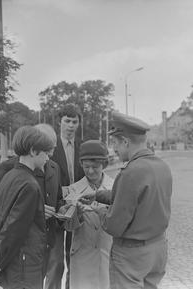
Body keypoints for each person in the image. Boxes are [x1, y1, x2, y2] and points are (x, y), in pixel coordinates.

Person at [87, 111, 172, 289]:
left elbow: (114, 225)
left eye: (115, 143)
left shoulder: (130, 173)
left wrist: (97, 209)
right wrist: (97, 195)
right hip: (157, 249)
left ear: (125, 142)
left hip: (132, 256)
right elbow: (138, 197)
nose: (115, 149)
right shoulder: (161, 166)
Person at [0, 123, 63, 280]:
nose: (50, 156)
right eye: (47, 151)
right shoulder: (25, 182)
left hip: (39, 250)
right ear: (33, 149)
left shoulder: (14, 175)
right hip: (23, 258)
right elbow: (5, 223)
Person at [62, 140, 113, 289]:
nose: (90, 171)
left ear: (104, 164)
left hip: (108, 253)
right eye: (86, 167)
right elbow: (68, 226)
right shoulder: (74, 189)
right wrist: (77, 214)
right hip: (82, 254)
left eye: (95, 167)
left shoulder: (116, 186)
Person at [46, 104, 84, 289]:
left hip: (76, 209)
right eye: (67, 121)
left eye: (74, 122)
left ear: (78, 124)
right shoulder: (51, 147)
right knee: (55, 262)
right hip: (54, 209)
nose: (70, 125)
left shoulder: (83, 147)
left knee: (74, 258)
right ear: (59, 122)